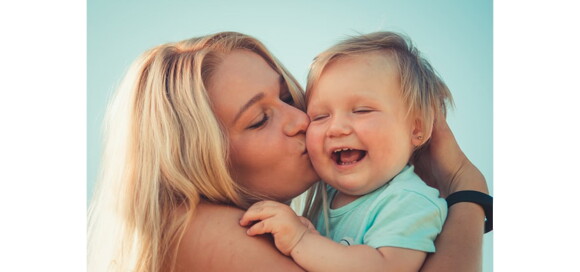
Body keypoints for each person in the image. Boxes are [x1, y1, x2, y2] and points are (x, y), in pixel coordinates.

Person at [87, 31, 490, 272]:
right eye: (259, 119)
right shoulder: (196, 228)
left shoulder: (341, 206)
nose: (301, 119)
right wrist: (468, 192)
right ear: (197, 158)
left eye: (286, 96)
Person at [240, 31, 455, 272]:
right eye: (320, 116)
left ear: (417, 128)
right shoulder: (325, 192)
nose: (336, 128)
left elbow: (385, 268)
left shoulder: (410, 199)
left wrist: (301, 240)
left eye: (362, 110)